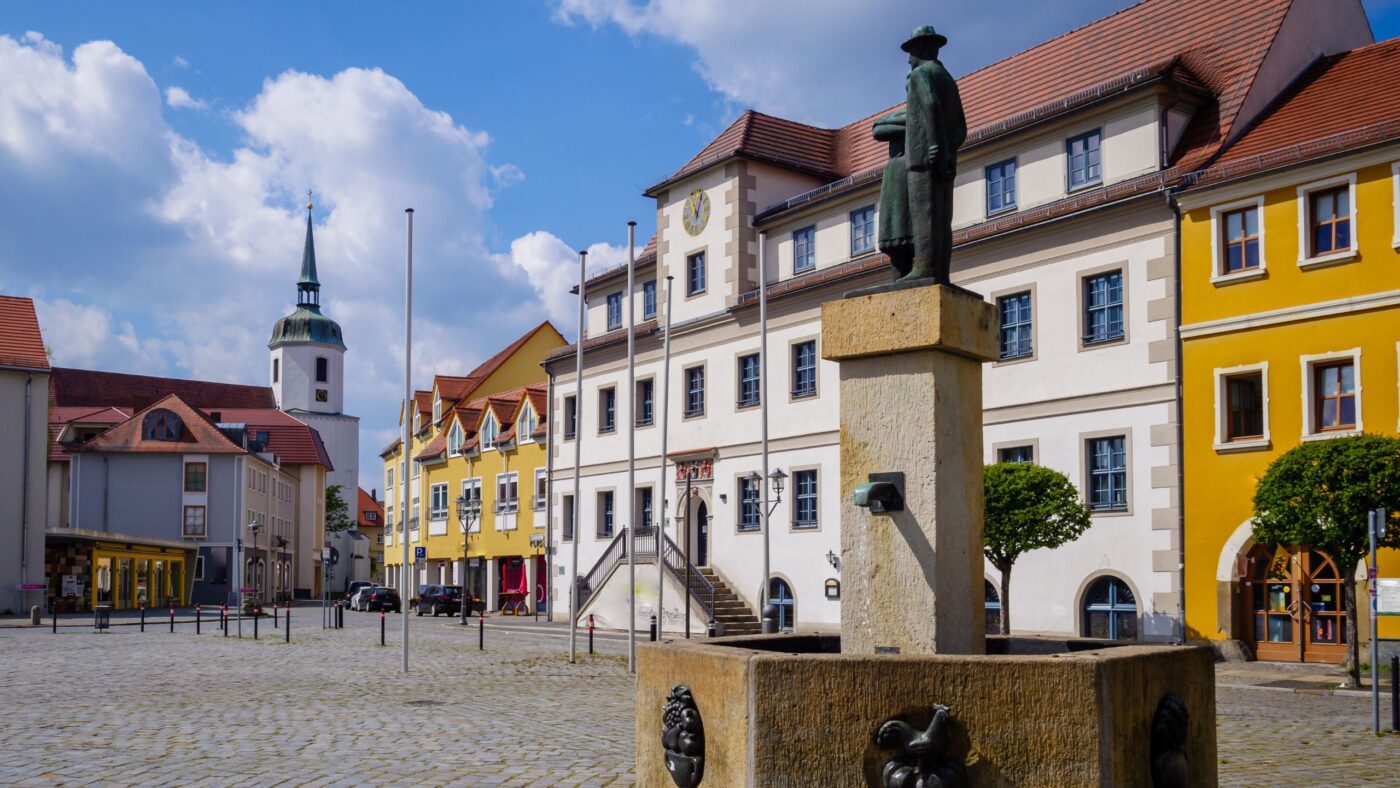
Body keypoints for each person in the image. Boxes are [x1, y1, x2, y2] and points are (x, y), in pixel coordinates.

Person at [902, 25, 965, 284]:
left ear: (921, 48)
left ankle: (925, 267)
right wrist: (948, 152)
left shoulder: (920, 75)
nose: (908, 59)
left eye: (911, 51)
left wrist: (934, 147)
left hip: (921, 157)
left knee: (924, 214)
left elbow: (930, 105)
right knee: (943, 218)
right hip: (947, 159)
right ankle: (942, 273)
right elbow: (961, 126)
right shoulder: (948, 78)